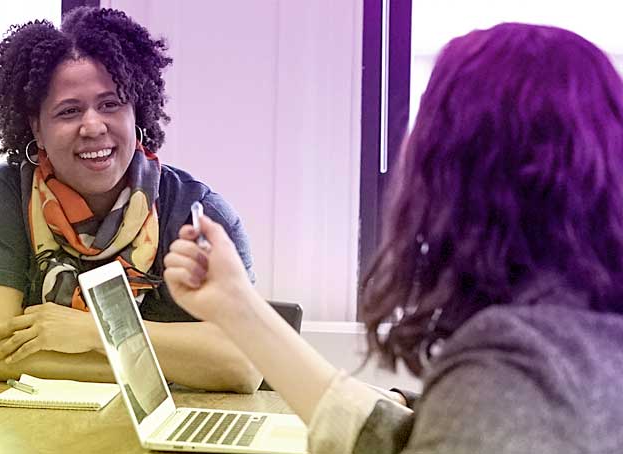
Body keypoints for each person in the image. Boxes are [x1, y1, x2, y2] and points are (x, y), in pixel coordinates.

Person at [164, 22, 623, 453]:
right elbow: (399, 439)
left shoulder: (515, 370)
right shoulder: (580, 339)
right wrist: (237, 306)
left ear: (461, 167)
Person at [0, 6, 262, 393]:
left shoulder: (200, 213)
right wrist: (180, 364)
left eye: (110, 104)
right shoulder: (5, 196)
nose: (93, 126)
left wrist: (96, 332)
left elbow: (245, 364)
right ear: (37, 129)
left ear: (136, 111)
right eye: (69, 111)